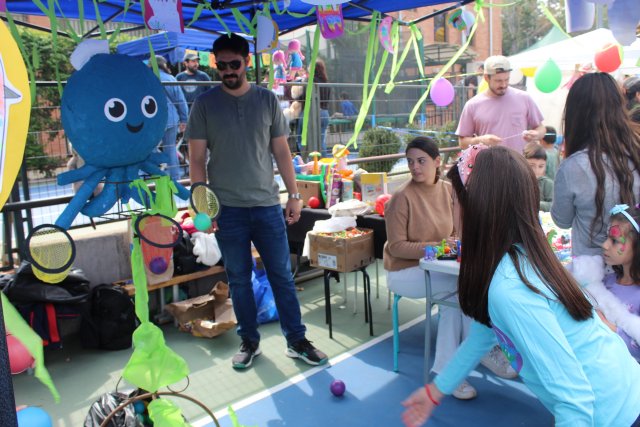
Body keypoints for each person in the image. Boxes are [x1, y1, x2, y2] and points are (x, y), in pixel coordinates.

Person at [401, 146, 640, 427]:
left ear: (477, 210)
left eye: (454, 201)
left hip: (615, 414)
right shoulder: (522, 258)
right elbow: (482, 335)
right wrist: (437, 390)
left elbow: (574, 401)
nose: (451, 211)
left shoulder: (510, 289)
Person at [187, 33, 327, 370]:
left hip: (266, 205)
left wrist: (295, 195)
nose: (228, 71)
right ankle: (249, 342)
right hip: (227, 210)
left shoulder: (266, 101)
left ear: (247, 62)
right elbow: (196, 160)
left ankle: (297, 340)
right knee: (239, 280)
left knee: (281, 276)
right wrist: (204, 206)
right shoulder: (204, 104)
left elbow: (282, 151)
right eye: (222, 65)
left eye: (234, 64)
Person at [383, 137, 476, 400]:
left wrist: (451, 246)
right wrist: (438, 248)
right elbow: (397, 247)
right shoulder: (401, 198)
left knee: (463, 290)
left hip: (437, 267)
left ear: (437, 162)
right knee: (458, 291)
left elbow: (457, 232)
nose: (415, 167)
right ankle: (462, 362)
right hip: (403, 272)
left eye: (421, 161)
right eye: (410, 161)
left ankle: (463, 361)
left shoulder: (449, 190)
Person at [552, 72, 640, 257]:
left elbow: (562, 220)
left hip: (590, 266)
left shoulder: (573, 167)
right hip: (633, 265)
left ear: (575, 114)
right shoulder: (635, 149)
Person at [455, 55, 545, 153]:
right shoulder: (472, 105)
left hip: (518, 161)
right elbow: (462, 143)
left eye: (507, 79)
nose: (503, 85)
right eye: (498, 81)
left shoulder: (524, 98)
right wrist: (480, 140)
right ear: (486, 78)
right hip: (488, 162)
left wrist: (537, 134)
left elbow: (541, 128)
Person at [598, 204, 640, 361]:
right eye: (606, 237)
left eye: (614, 240)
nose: (605, 245)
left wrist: (610, 328)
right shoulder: (606, 282)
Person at [151, 55, 188, 181]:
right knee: (171, 148)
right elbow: (180, 101)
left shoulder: (146, 78)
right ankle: (175, 178)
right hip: (171, 119)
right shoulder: (171, 78)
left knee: (152, 149)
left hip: (153, 120)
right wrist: (184, 119)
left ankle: (156, 177)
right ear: (163, 65)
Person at [296, 59, 331, 155]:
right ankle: (323, 162)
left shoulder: (309, 81)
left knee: (301, 138)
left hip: (310, 113)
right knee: (321, 141)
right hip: (324, 113)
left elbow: (302, 97)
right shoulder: (326, 82)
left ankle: (305, 160)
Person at [523, 142, 553, 212]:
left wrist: (534, 204)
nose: (536, 171)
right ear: (523, 163)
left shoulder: (548, 184)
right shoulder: (518, 182)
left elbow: (554, 205)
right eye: (531, 166)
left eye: (541, 166)